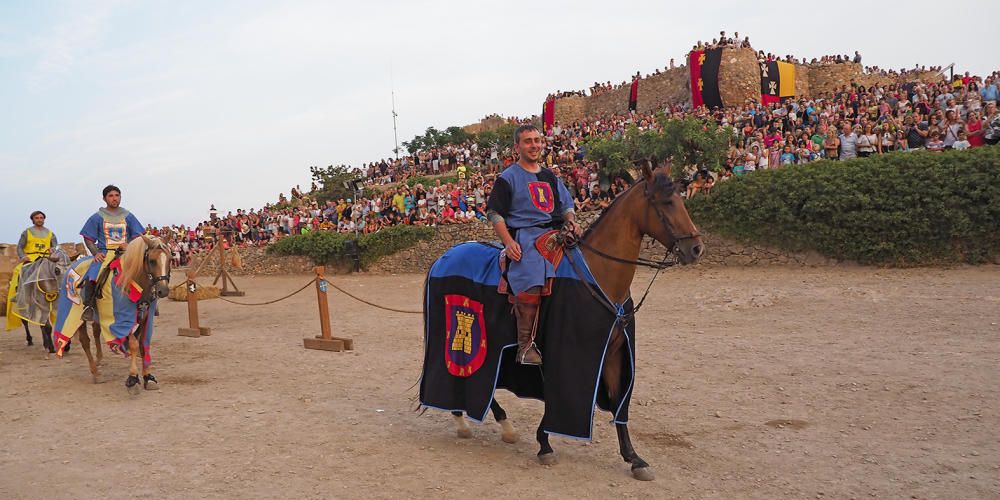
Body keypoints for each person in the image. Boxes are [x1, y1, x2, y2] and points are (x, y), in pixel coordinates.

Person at [486, 124, 580, 365]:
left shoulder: (550, 176)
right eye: (528, 141)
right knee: (531, 271)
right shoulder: (508, 178)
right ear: (517, 146)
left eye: (537, 140)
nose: (534, 145)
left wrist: (571, 221)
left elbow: (566, 205)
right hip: (526, 236)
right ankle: (525, 346)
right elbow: (495, 213)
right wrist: (507, 242)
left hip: (555, 232)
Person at [79, 185, 145, 320]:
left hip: (126, 253)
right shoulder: (97, 217)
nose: (114, 198)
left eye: (117, 195)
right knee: (93, 273)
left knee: (144, 270)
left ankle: (145, 303)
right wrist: (96, 253)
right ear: (104, 199)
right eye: (111, 196)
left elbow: (138, 235)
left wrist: (130, 245)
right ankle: (89, 306)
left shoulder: (128, 216)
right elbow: (88, 237)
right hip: (105, 253)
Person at [6, 211, 58, 332]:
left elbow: (55, 245)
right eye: (37, 218)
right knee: (20, 270)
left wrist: (53, 249)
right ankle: (20, 293)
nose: (39, 219)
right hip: (31, 258)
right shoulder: (27, 232)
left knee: (58, 271)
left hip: (46, 258)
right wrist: (22, 256)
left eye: (41, 218)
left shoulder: (50, 233)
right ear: (33, 220)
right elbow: (20, 246)